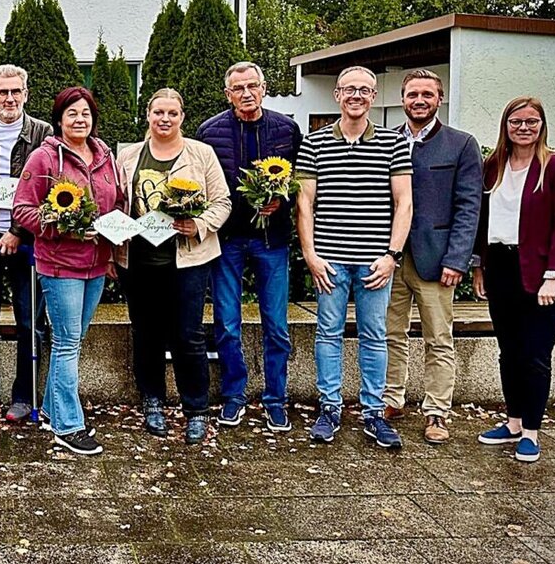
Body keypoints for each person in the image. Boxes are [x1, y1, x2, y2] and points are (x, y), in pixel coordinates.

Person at [296, 66, 412, 449]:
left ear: (374, 96)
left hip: (375, 261)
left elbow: (404, 203)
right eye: (349, 89)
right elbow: (305, 203)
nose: (356, 96)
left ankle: (373, 412)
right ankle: (329, 408)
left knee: (375, 335)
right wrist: (310, 255)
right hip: (329, 259)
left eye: (364, 90)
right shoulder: (313, 144)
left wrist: (392, 255)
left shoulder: (394, 144)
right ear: (337, 95)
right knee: (328, 333)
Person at [116, 88, 231, 444]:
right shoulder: (128, 155)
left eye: (172, 113)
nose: (164, 119)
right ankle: (153, 401)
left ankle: (195, 408)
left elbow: (223, 202)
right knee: (146, 334)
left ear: (182, 117)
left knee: (188, 336)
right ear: (147, 115)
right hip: (138, 261)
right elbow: (118, 202)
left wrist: (198, 225)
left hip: (188, 261)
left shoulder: (201, 154)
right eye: (158, 112)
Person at [14, 86, 123, 456]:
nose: (80, 119)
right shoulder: (43, 159)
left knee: (71, 341)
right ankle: (68, 426)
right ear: (59, 119)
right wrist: (62, 224)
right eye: (72, 113)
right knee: (66, 342)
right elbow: (22, 211)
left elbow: (116, 202)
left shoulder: (105, 155)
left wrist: (115, 240)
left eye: (86, 113)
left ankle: (50, 410)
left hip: (96, 263)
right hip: (60, 265)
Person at [197, 61, 302, 432]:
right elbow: (204, 186)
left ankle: (276, 399)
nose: (246, 93)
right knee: (227, 323)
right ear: (227, 94)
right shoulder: (209, 132)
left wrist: (281, 202)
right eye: (238, 88)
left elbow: (300, 183)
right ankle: (234, 396)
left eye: (252, 86)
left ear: (263, 88)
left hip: (271, 241)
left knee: (276, 325)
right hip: (226, 241)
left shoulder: (287, 129)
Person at [384, 70, 483, 444]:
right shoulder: (387, 141)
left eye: (427, 94)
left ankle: (437, 411)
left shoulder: (461, 144)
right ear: (403, 99)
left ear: (438, 99)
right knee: (390, 332)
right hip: (390, 259)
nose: (419, 100)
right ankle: (391, 398)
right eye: (412, 94)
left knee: (438, 339)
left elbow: (469, 206)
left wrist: (458, 259)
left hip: (438, 260)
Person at [474, 97, 555, 463]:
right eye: (517, 121)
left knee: (535, 354)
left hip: (541, 272)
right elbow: (483, 222)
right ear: (506, 125)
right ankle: (513, 422)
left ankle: (531, 431)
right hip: (501, 267)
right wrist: (479, 266)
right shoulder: (493, 166)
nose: (524, 128)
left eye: (532, 122)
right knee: (509, 351)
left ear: (542, 126)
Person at [0, 64, 54, 423]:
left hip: (27, 241)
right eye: (3, 92)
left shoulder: (43, 134)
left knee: (29, 322)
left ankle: (24, 395)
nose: (10, 98)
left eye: (16, 91)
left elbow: (49, 185)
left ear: (26, 94)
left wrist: (18, 231)